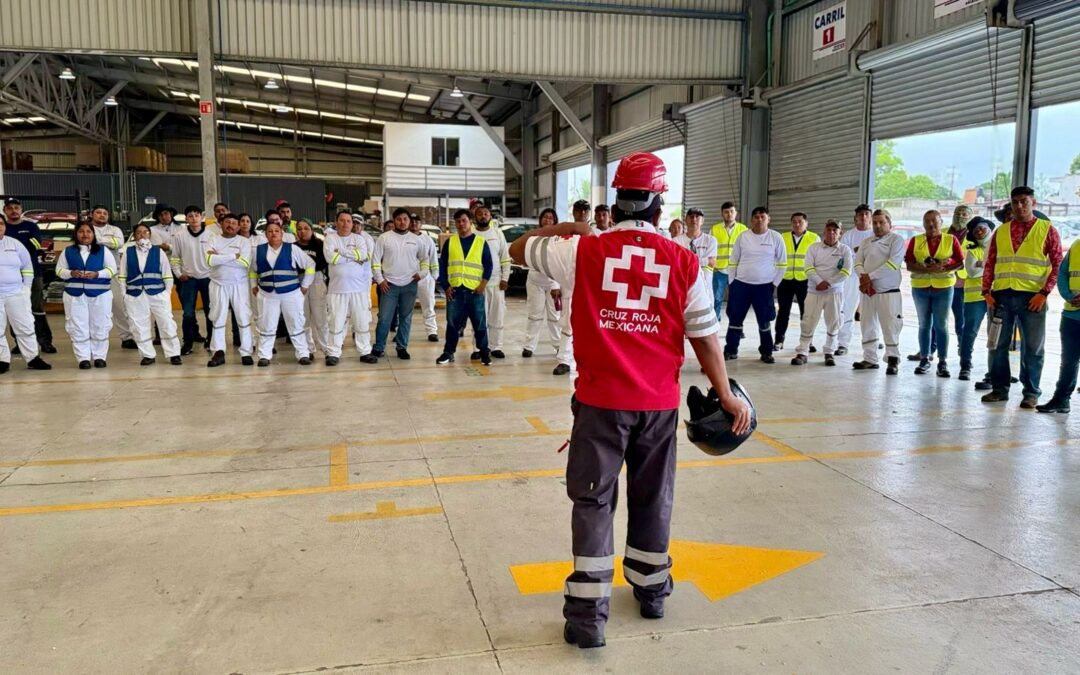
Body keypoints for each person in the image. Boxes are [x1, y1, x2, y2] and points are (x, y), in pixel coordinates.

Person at [507, 151, 752, 650]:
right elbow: (705, 337)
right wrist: (726, 395)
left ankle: (587, 620)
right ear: (659, 206)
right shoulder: (685, 261)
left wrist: (571, 230)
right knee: (653, 497)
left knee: (593, 501)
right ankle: (651, 590)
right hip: (658, 406)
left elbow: (516, 249)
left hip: (599, 404)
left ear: (615, 202)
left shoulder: (581, 252)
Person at [980, 186, 1063, 409]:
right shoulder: (1001, 231)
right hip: (1001, 297)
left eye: (1024, 201)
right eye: (1015, 202)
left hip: (1032, 299)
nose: (1019, 206)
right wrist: (986, 291)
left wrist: (1043, 293)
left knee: (1033, 348)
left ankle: (1031, 393)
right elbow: (990, 262)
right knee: (996, 345)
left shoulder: (1047, 230)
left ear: (1033, 203)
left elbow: (1057, 264)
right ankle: (999, 389)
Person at [723, 206, 786, 363]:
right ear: (751, 220)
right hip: (741, 285)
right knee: (735, 319)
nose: (759, 219)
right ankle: (731, 350)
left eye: (762, 216)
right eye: (756, 217)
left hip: (764, 287)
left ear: (768, 219)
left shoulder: (776, 237)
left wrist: (774, 284)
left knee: (764, 321)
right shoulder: (743, 237)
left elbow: (783, 264)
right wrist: (732, 283)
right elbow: (733, 261)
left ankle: (766, 351)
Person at [906, 210, 964, 377]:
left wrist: (944, 267)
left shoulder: (950, 239)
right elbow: (909, 264)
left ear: (941, 222)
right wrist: (924, 268)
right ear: (923, 224)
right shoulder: (916, 240)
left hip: (943, 288)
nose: (931, 224)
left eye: (934, 221)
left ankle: (942, 362)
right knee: (924, 324)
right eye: (927, 221)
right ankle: (924, 358)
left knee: (941, 325)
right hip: (920, 288)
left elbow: (960, 263)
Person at [117, 222, 182, 366]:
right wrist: (124, 295)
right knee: (139, 325)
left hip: (158, 293)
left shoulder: (158, 252)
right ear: (134, 236)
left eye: (145, 232)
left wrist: (166, 293)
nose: (142, 234)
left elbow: (167, 275)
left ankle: (174, 354)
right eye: (138, 232)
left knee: (166, 323)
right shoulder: (128, 252)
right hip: (135, 294)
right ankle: (147, 355)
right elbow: (122, 276)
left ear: (150, 235)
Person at [250, 221, 314, 367]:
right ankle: (264, 355)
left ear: (282, 233)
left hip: (291, 293)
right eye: (270, 231)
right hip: (267, 294)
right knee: (267, 325)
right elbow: (252, 270)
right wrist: (253, 285)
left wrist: (305, 285)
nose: (273, 234)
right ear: (265, 235)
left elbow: (310, 265)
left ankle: (303, 354)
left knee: (296, 323)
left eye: (276, 231)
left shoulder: (292, 249)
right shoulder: (258, 251)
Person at [436, 209, 493, 366]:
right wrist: (446, 286)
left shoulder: (481, 242)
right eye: (458, 222)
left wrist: (482, 285)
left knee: (479, 324)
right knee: (452, 324)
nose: (461, 224)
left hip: (475, 291)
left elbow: (488, 265)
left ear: (470, 222)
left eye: (464, 221)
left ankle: (484, 352)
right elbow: (443, 266)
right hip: (455, 291)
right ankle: (448, 353)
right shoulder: (450, 242)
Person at [852, 209, 905, 375]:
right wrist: (863, 276)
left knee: (891, 326)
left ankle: (893, 359)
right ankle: (870, 358)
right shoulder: (866, 242)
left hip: (888, 292)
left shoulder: (896, 240)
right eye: (874, 223)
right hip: (868, 292)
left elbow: (893, 264)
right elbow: (857, 263)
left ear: (889, 223)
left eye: (882, 222)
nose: (878, 225)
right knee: (867, 325)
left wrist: (869, 276)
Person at [792, 219, 852, 366]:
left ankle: (829, 352)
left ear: (840, 233)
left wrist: (828, 283)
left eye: (835, 230)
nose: (831, 233)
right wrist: (819, 282)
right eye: (829, 230)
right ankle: (803, 351)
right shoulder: (814, 248)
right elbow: (808, 267)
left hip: (835, 292)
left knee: (834, 322)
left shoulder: (845, 250)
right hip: (814, 291)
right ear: (824, 232)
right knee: (808, 321)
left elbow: (846, 271)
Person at [57, 221, 116, 369]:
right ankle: (83, 358)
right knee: (77, 325)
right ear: (76, 234)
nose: (85, 234)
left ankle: (99, 356)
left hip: (100, 294)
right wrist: (70, 273)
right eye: (81, 231)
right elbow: (59, 270)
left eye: (88, 231)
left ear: (93, 234)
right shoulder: (68, 251)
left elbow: (112, 269)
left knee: (100, 324)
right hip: (74, 295)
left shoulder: (103, 250)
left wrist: (98, 274)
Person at [371, 208, 427, 361]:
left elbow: (425, 260)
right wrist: (380, 280)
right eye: (399, 219)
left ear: (409, 221)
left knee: (406, 318)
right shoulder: (384, 238)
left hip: (410, 285)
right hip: (388, 285)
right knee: (384, 318)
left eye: (405, 219)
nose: (402, 222)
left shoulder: (417, 240)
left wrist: (422, 273)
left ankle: (402, 347)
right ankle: (379, 347)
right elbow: (375, 261)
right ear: (394, 220)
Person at [2, 197, 55, 353]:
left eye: (16, 208)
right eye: (9, 208)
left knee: (36, 307)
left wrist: (15, 247)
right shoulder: (3, 227)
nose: (13, 210)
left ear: (21, 209)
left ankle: (45, 342)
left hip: (33, 274)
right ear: (5, 211)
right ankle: (20, 343)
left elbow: (37, 245)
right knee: (14, 310)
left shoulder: (30, 226)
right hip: (10, 278)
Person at [324, 209, 375, 366]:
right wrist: (353, 256)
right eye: (342, 220)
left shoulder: (359, 239)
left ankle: (365, 351)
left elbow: (363, 256)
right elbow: (330, 258)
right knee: (336, 322)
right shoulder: (330, 239)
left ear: (352, 224)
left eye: (348, 221)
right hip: (337, 289)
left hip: (359, 289)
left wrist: (341, 252)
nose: (345, 224)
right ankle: (333, 353)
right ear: (336, 222)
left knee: (361, 322)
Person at [1036, 235, 1080, 413]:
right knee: (1068, 361)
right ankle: (1061, 399)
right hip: (1071, 314)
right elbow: (1062, 273)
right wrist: (1069, 296)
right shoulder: (1077, 245)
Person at [205, 213, 254, 367]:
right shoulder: (213, 239)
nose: (230, 225)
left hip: (239, 284)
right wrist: (234, 255)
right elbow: (209, 260)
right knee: (218, 317)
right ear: (221, 224)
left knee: (243, 317)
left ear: (238, 226)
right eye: (227, 222)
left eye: (234, 223)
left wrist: (220, 257)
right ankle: (218, 352)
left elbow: (244, 262)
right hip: (218, 284)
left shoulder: (244, 242)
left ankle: (246, 352)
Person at [552, 201, 593, 376]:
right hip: (569, 286)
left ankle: (590, 361)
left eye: (585, 210)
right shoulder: (564, 234)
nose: (582, 213)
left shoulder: (596, 235)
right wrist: (555, 285)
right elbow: (554, 260)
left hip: (590, 289)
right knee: (567, 325)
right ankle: (564, 360)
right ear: (574, 212)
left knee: (591, 327)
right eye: (579, 210)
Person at [88, 204, 134, 350]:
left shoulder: (115, 230)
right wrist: (103, 241)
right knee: (93, 307)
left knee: (120, 306)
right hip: (91, 273)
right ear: (92, 214)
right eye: (98, 212)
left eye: (105, 213)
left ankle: (127, 337)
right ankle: (92, 338)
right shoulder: (86, 229)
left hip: (113, 273)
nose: (102, 215)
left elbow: (118, 243)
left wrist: (96, 240)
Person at [774, 212, 820, 351]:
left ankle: (807, 341)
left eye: (800, 221)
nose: (797, 224)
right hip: (785, 279)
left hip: (805, 280)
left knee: (806, 313)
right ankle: (779, 340)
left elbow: (818, 259)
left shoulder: (814, 238)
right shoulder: (783, 237)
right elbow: (775, 257)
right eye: (794, 221)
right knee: (783, 312)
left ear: (806, 223)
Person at [172, 205, 213, 355]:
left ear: (202, 217)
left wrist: (215, 275)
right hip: (189, 279)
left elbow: (217, 257)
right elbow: (175, 257)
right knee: (188, 313)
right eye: (190, 216)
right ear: (186, 219)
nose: (194, 218)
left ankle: (211, 340)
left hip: (208, 279)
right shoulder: (179, 236)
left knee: (210, 311)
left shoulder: (211, 235)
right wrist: (179, 274)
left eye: (196, 215)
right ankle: (188, 343)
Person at [522, 208, 561, 359]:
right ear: (540, 219)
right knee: (534, 315)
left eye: (551, 218)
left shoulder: (559, 238)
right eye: (545, 217)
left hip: (553, 283)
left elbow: (560, 262)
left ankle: (558, 345)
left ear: (555, 221)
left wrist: (557, 285)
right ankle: (529, 346)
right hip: (535, 281)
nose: (547, 220)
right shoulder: (532, 236)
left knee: (555, 316)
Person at [836, 204, 875, 355]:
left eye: (866, 214)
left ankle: (874, 341)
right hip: (852, 278)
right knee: (847, 310)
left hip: (872, 278)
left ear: (870, 217)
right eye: (860, 214)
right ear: (855, 218)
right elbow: (843, 257)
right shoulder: (848, 235)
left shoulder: (875, 234)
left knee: (872, 312)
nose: (863, 217)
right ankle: (843, 343)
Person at [959, 218, 994, 382]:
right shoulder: (973, 251)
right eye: (976, 231)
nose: (979, 232)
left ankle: (996, 369)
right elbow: (972, 272)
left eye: (982, 228)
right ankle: (965, 365)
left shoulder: (999, 248)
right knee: (970, 331)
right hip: (975, 296)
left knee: (995, 333)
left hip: (995, 296)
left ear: (988, 228)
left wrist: (982, 264)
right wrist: (991, 266)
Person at [472, 205, 509, 359]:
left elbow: (505, 257)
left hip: (496, 283)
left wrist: (505, 278)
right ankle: (478, 348)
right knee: (479, 318)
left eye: (486, 213)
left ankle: (496, 347)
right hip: (477, 284)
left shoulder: (497, 233)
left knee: (497, 317)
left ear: (490, 216)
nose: (483, 216)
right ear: (474, 218)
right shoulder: (471, 234)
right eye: (480, 214)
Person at [295, 219, 330, 356]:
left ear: (311, 230)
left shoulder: (320, 245)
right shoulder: (293, 247)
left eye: (306, 228)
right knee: (303, 319)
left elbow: (322, 264)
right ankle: (308, 349)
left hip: (317, 280)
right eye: (299, 229)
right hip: (299, 281)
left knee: (320, 317)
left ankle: (327, 349)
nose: (302, 231)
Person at [709, 202, 747, 321]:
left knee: (736, 300)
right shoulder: (715, 229)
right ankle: (715, 322)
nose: (729, 214)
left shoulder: (743, 229)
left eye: (731, 211)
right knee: (716, 298)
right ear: (722, 214)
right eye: (726, 212)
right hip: (719, 271)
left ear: (736, 213)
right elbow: (710, 249)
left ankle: (736, 323)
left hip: (737, 272)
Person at [674, 208, 717, 305]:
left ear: (702, 221)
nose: (694, 219)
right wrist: (705, 260)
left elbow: (712, 263)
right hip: (683, 290)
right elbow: (677, 264)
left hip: (705, 291)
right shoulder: (676, 241)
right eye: (691, 217)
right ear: (685, 220)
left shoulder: (711, 240)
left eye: (697, 217)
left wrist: (685, 261)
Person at [410, 214, 440, 342]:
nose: (414, 223)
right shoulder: (403, 238)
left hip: (425, 278)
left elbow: (433, 258)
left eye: (417, 221)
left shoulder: (427, 239)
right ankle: (401, 331)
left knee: (428, 305)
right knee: (405, 307)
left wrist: (434, 276)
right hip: (407, 278)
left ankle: (432, 331)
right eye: (412, 221)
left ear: (420, 224)